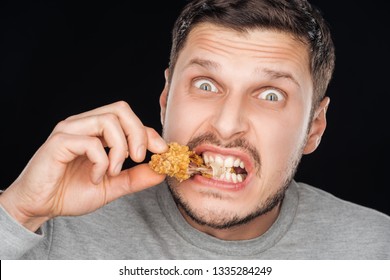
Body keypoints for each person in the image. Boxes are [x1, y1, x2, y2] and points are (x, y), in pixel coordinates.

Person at [1, 0, 389, 260]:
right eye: (206, 85)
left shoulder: (376, 247)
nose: (226, 123)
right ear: (166, 98)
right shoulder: (44, 226)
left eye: (270, 95)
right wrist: (17, 210)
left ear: (314, 128)